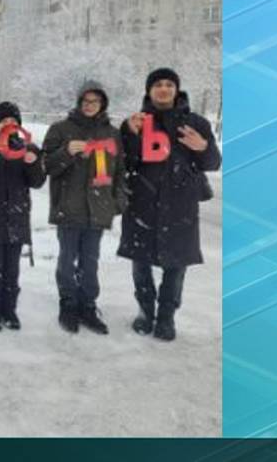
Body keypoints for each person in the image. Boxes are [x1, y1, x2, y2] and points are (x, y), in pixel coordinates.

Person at [118, 68, 221, 341]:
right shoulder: (136, 122)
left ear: (176, 90)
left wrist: (203, 147)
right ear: (149, 91)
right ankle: (145, 311)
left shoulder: (196, 123)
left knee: (176, 267)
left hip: (180, 207)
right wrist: (129, 134)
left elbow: (213, 163)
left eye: (169, 84)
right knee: (140, 262)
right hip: (142, 203)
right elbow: (123, 163)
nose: (163, 89)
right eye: (157, 85)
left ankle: (166, 317)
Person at [41, 81, 126, 335]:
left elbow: (120, 171)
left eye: (95, 102)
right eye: (86, 101)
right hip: (69, 207)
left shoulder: (112, 134)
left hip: (99, 208)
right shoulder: (60, 129)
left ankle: (88, 305)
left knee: (90, 261)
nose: (90, 106)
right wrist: (66, 152)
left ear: (102, 105)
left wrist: (117, 201)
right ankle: (68, 303)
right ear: (79, 102)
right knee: (67, 259)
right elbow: (47, 166)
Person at [0, 102, 45, 331]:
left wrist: (32, 163)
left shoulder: (28, 148)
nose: (8, 126)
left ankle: (10, 309)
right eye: (3, 122)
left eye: (13, 122)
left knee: (12, 269)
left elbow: (37, 181)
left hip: (18, 216)